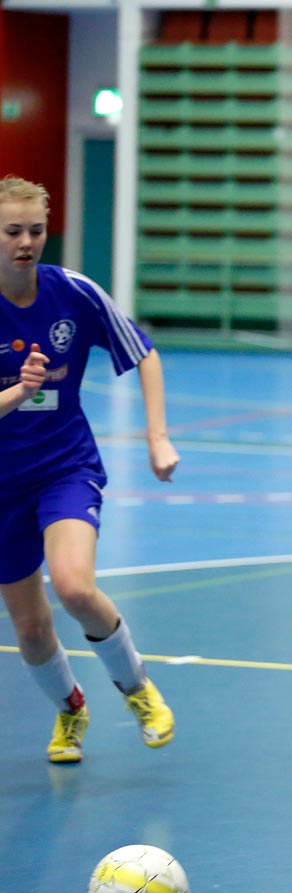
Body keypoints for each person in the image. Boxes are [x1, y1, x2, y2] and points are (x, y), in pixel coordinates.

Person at [0, 175, 178, 764]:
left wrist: (157, 438)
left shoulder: (74, 293)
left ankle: (137, 690)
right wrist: (16, 395)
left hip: (64, 466)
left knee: (74, 585)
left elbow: (143, 352)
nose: (26, 242)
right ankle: (71, 709)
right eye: (12, 231)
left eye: (36, 230)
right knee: (30, 628)